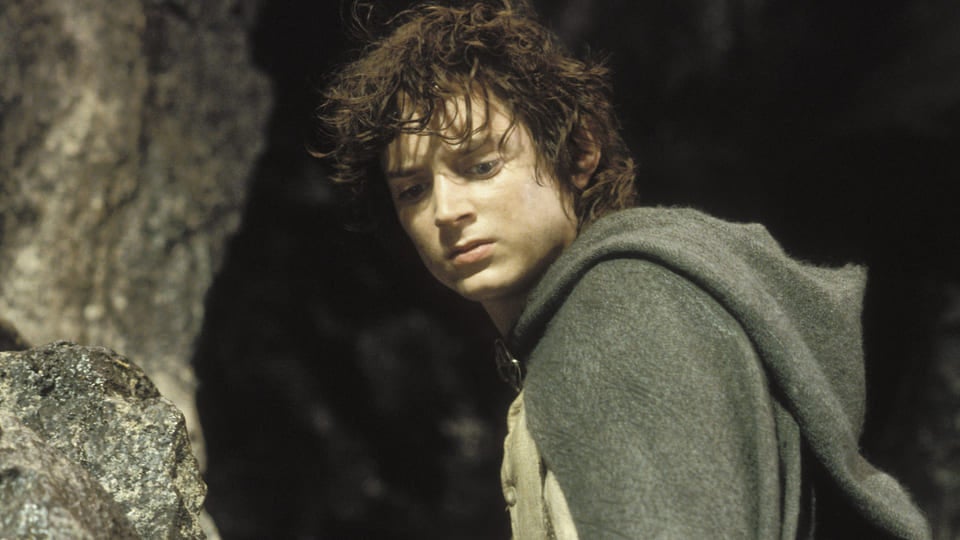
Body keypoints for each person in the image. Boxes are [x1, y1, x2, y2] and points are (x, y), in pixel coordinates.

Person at [313, 1, 930, 537]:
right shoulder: (604, 312)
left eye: (481, 167)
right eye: (413, 190)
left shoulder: (622, 311)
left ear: (579, 152)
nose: (447, 211)